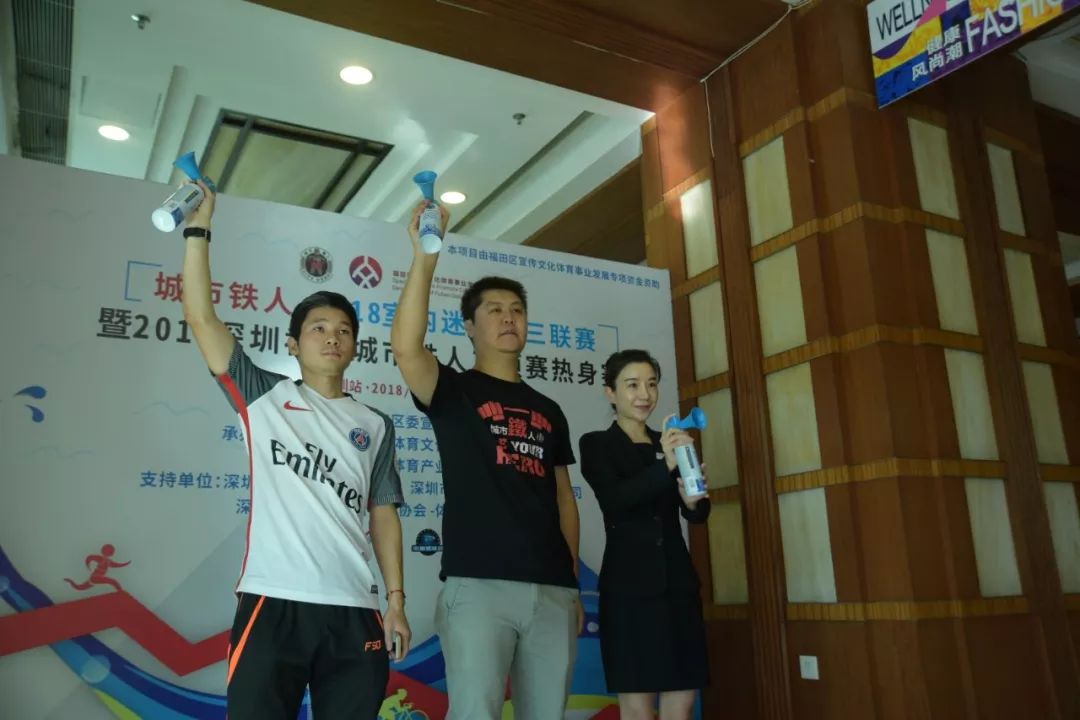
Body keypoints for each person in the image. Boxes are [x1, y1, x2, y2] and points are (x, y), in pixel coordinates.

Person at [179, 180, 411, 719]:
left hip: (354, 608)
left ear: (355, 346)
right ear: (292, 343)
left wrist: (395, 602)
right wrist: (198, 230)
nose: (332, 337)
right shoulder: (263, 397)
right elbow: (201, 318)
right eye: (318, 328)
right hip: (272, 601)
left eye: (343, 330)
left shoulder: (375, 424)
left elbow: (384, 513)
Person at [390, 201, 583, 720]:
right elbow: (406, 348)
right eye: (494, 310)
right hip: (478, 586)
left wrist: (570, 584)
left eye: (516, 309)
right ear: (470, 326)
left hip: (551, 590)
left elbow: (564, 497)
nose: (508, 317)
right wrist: (425, 254)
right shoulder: (453, 391)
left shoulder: (549, 409)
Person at [578, 349, 711, 720]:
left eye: (651, 384)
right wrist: (665, 464)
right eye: (632, 385)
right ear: (610, 392)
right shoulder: (596, 444)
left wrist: (693, 500)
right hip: (630, 589)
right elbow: (616, 500)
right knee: (637, 708)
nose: (645, 394)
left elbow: (697, 512)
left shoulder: (670, 440)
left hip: (677, 585)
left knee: (682, 703)